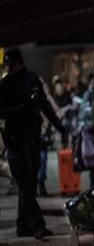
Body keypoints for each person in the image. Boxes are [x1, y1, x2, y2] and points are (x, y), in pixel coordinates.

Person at [0, 48, 65, 239]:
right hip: (16, 141)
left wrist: (59, 127)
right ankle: (37, 224)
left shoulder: (29, 80)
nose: (9, 67)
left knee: (27, 184)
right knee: (26, 183)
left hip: (29, 139)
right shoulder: (7, 84)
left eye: (10, 63)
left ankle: (23, 225)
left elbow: (44, 105)